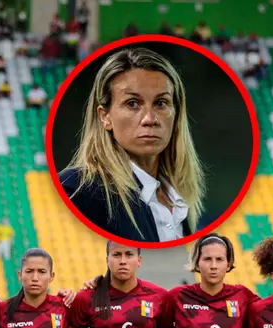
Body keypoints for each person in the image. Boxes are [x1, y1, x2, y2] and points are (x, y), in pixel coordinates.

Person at [59, 47, 206, 243]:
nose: (150, 119)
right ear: (105, 116)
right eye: (132, 103)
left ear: (176, 113)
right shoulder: (78, 190)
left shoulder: (179, 201)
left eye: (161, 103)